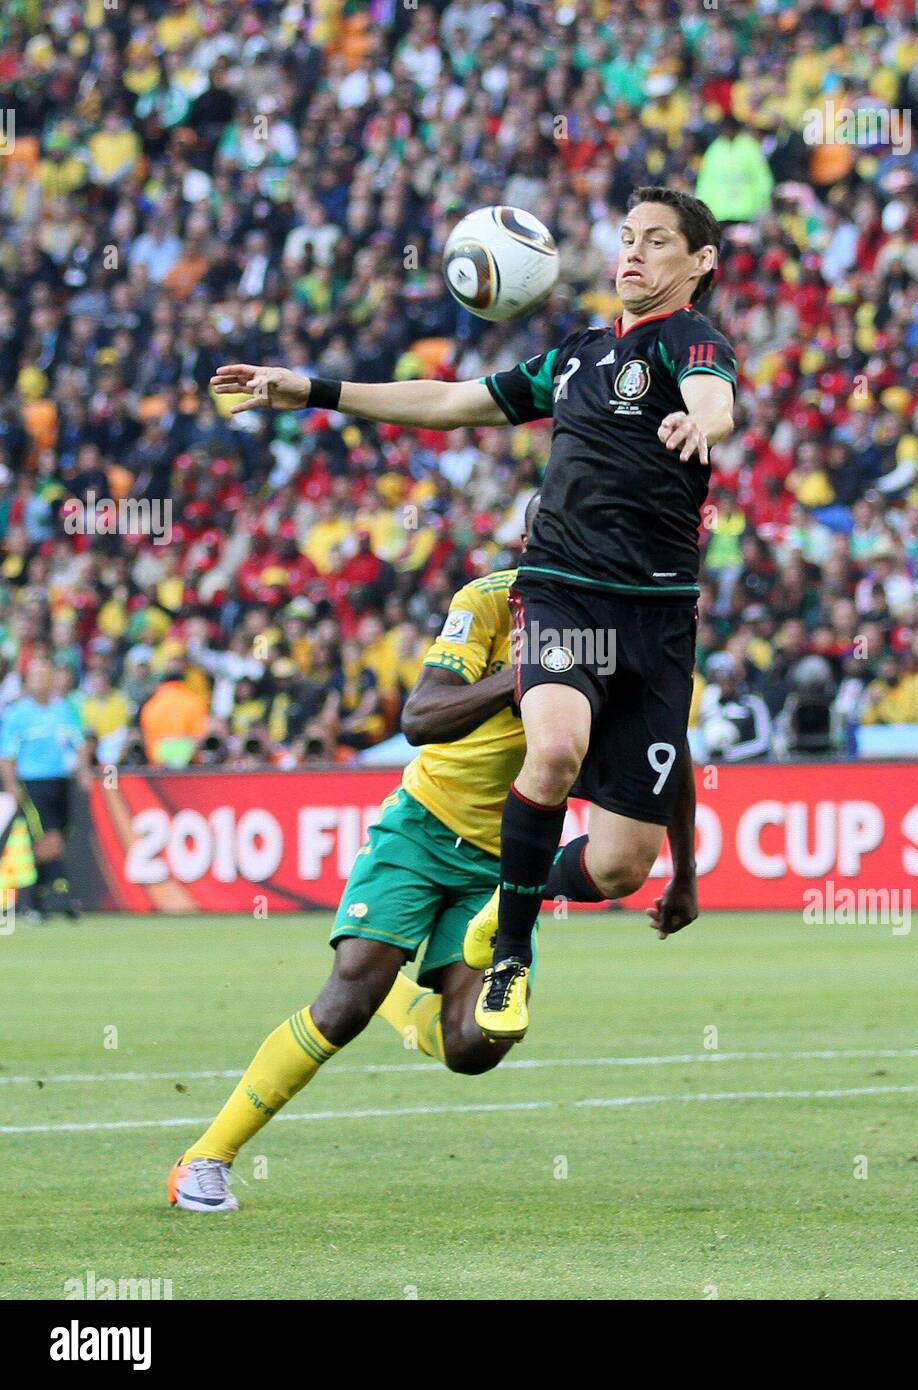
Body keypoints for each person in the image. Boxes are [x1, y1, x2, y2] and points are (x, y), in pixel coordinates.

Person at [211, 185, 734, 1043]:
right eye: (627, 237)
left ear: (700, 262)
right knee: (556, 745)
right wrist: (309, 388)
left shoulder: (693, 343)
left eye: (658, 242)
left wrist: (700, 419)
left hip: (661, 616)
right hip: (564, 588)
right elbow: (451, 401)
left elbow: (717, 395)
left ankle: (503, 902)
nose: (633, 254)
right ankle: (513, 954)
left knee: (617, 867)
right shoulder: (574, 358)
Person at [168, 496, 698, 1212]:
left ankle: (402, 987)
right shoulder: (486, 605)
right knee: (343, 1001)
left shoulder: (620, 629)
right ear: (528, 538)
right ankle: (205, 1159)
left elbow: (668, 752)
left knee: (476, 1045)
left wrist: (685, 874)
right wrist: (531, 681)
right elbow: (419, 716)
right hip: (422, 827)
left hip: (509, 859)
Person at [0, 656, 91, 920]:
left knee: (57, 837)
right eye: (36, 675)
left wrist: (84, 771)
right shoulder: (17, 714)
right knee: (47, 837)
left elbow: (80, 742)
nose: (41, 681)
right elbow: (7, 756)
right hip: (32, 783)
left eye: (45, 675)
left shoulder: (64, 709)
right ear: (28, 681)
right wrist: (12, 786)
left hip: (60, 782)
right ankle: (63, 892)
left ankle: (34, 899)